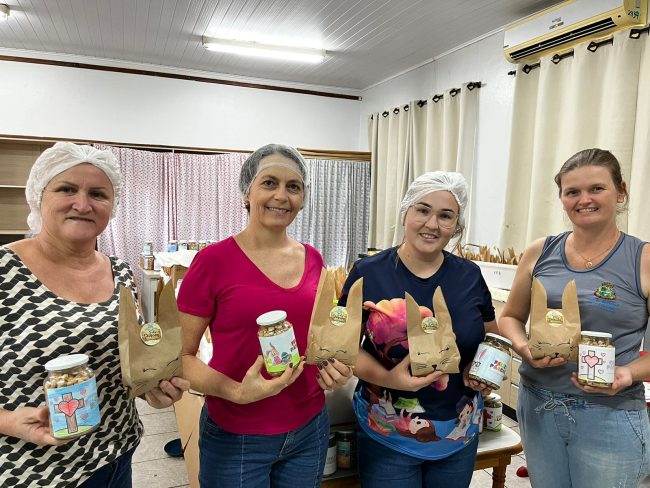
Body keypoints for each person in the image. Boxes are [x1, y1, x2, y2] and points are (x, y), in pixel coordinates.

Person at [0, 142, 189, 488]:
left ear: (112, 206)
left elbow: (124, 364)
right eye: (67, 189)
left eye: (98, 194)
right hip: (34, 470)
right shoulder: (5, 271)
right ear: (39, 196)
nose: (83, 204)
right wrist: (9, 421)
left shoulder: (120, 272)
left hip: (116, 454)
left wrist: (152, 388)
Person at [176, 143, 353, 488]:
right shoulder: (213, 262)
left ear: (303, 198)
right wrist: (237, 391)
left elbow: (322, 340)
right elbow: (178, 357)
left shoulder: (315, 260)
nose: (282, 196)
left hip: (309, 428)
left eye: (293, 186)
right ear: (247, 191)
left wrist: (338, 368)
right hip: (237, 434)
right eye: (269, 183)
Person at [498, 148, 650, 488]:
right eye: (572, 192)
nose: (584, 199)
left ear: (621, 192)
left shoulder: (642, 259)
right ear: (563, 199)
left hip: (610, 413)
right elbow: (510, 316)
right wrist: (523, 347)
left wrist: (626, 372)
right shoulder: (541, 251)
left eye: (597, 188)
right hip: (538, 403)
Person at [338, 171, 497, 488]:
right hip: (388, 434)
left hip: (458, 434)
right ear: (405, 213)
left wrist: (486, 369)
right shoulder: (367, 273)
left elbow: (493, 336)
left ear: (456, 226)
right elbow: (342, 346)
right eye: (423, 210)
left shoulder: (469, 275)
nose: (432, 224)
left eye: (445, 216)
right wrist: (388, 378)